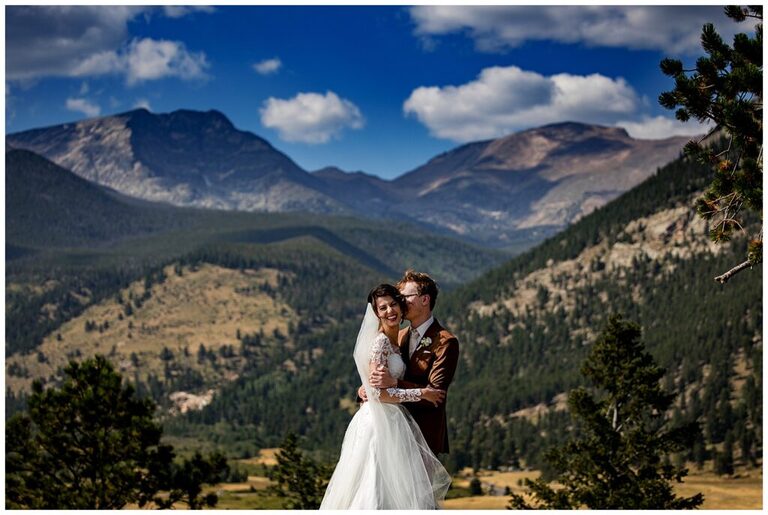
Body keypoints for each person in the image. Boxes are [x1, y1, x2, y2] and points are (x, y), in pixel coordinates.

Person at [320, 284, 451, 509]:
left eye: (393, 304)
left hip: (397, 422)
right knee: (375, 485)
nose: (390, 311)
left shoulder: (400, 339)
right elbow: (377, 393)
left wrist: (371, 388)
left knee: (399, 489)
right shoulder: (381, 341)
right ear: (376, 313)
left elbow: (381, 384)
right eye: (383, 308)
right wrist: (421, 393)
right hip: (379, 423)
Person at [367, 270, 460, 455]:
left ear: (424, 299)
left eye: (405, 297)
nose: (400, 301)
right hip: (392, 431)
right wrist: (365, 390)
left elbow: (435, 395)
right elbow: (378, 375)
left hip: (424, 436)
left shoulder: (445, 341)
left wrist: (394, 383)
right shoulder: (398, 335)